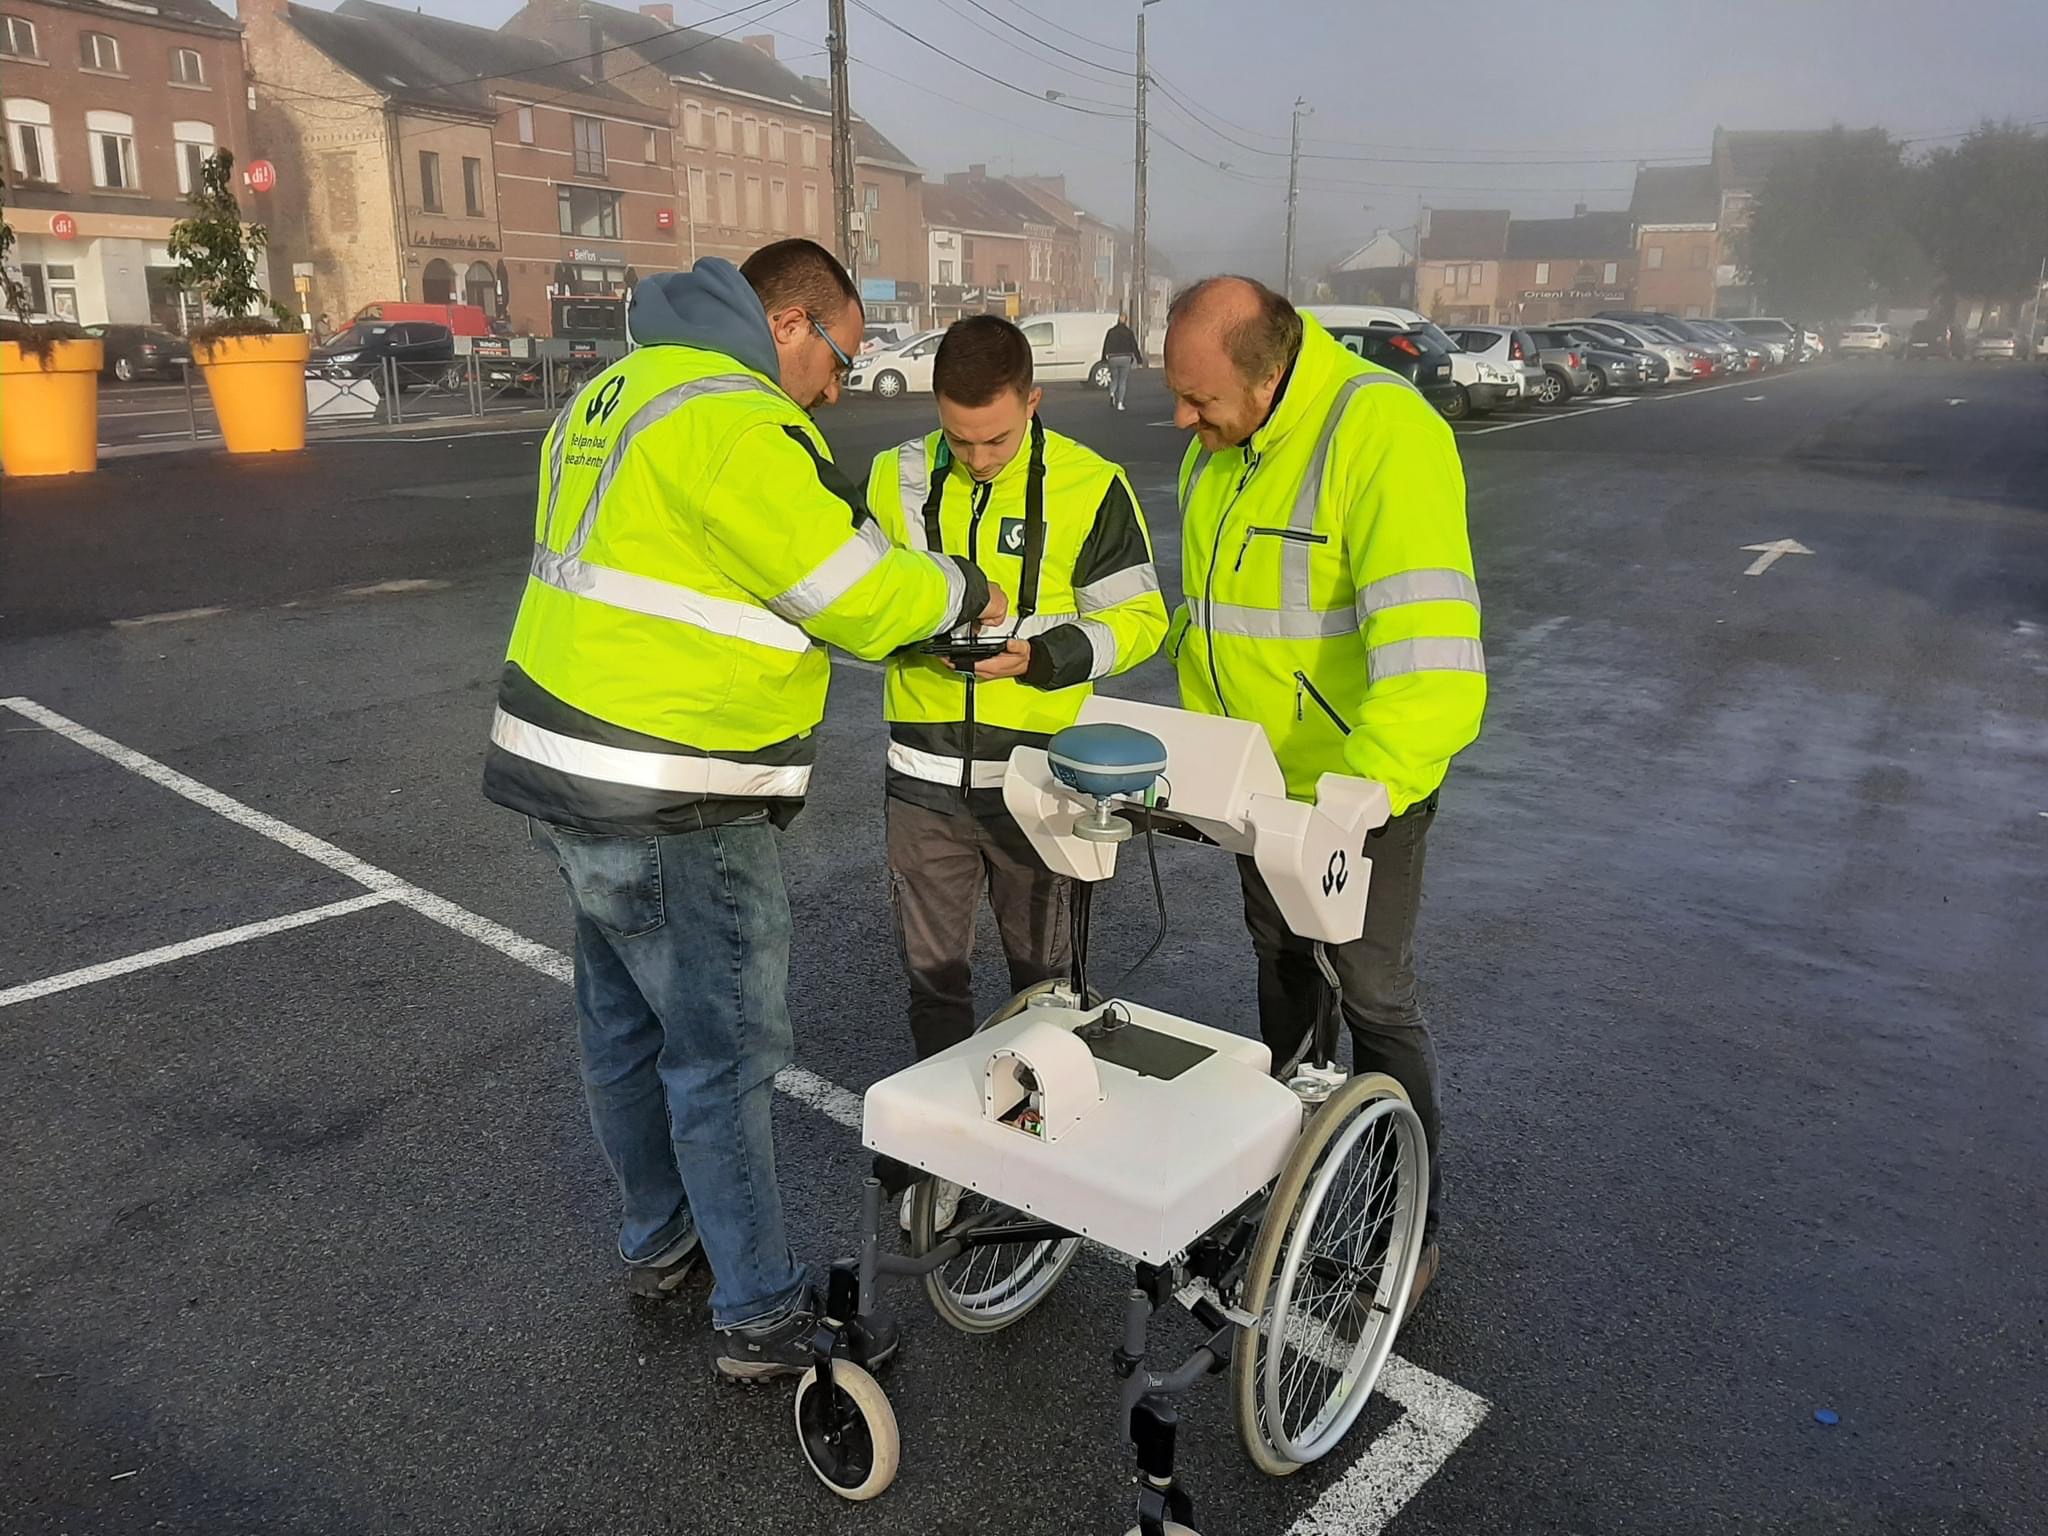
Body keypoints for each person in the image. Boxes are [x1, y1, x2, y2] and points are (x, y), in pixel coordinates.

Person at [483, 239, 1006, 1378]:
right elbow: (858, 598)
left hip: (565, 769)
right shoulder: (734, 420)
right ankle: (762, 1316)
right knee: (717, 1056)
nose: (833, 386)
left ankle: (658, 1240)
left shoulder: (620, 390)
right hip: (676, 790)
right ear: (788, 323)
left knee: (623, 1030)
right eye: (836, 356)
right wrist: (964, 587)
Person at [1162, 275, 1484, 1311]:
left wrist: (1353, 800)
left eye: (1198, 397)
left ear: (1267, 375)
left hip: (1356, 798)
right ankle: (1292, 1171)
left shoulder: (1382, 434)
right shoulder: (1219, 450)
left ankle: (1404, 1221)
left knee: (1372, 997)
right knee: (1282, 973)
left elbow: (1431, 656)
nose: (1181, 419)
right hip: (1258, 794)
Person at [866, 315, 1167, 1228]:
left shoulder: (1093, 483)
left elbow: (1142, 622)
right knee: (934, 982)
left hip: (1040, 787)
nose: (979, 456)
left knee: (1045, 983)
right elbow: (856, 600)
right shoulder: (894, 476)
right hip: (920, 777)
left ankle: (1040, 1154)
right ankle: (940, 1159)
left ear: (1034, 403)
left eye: (997, 436)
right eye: (959, 438)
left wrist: (1041, 659)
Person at [1102, 312, 1143, 411]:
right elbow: (1134, 346)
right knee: (1122, 381)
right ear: (1126, 320)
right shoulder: (1129, 332)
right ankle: (1120, 403)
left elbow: (1105, 345)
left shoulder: (1111, 332)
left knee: (1114, 378)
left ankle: (1112, 393)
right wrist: (1139, 359)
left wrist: (1103, 358)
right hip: (1125, 357)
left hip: (1113, 358)